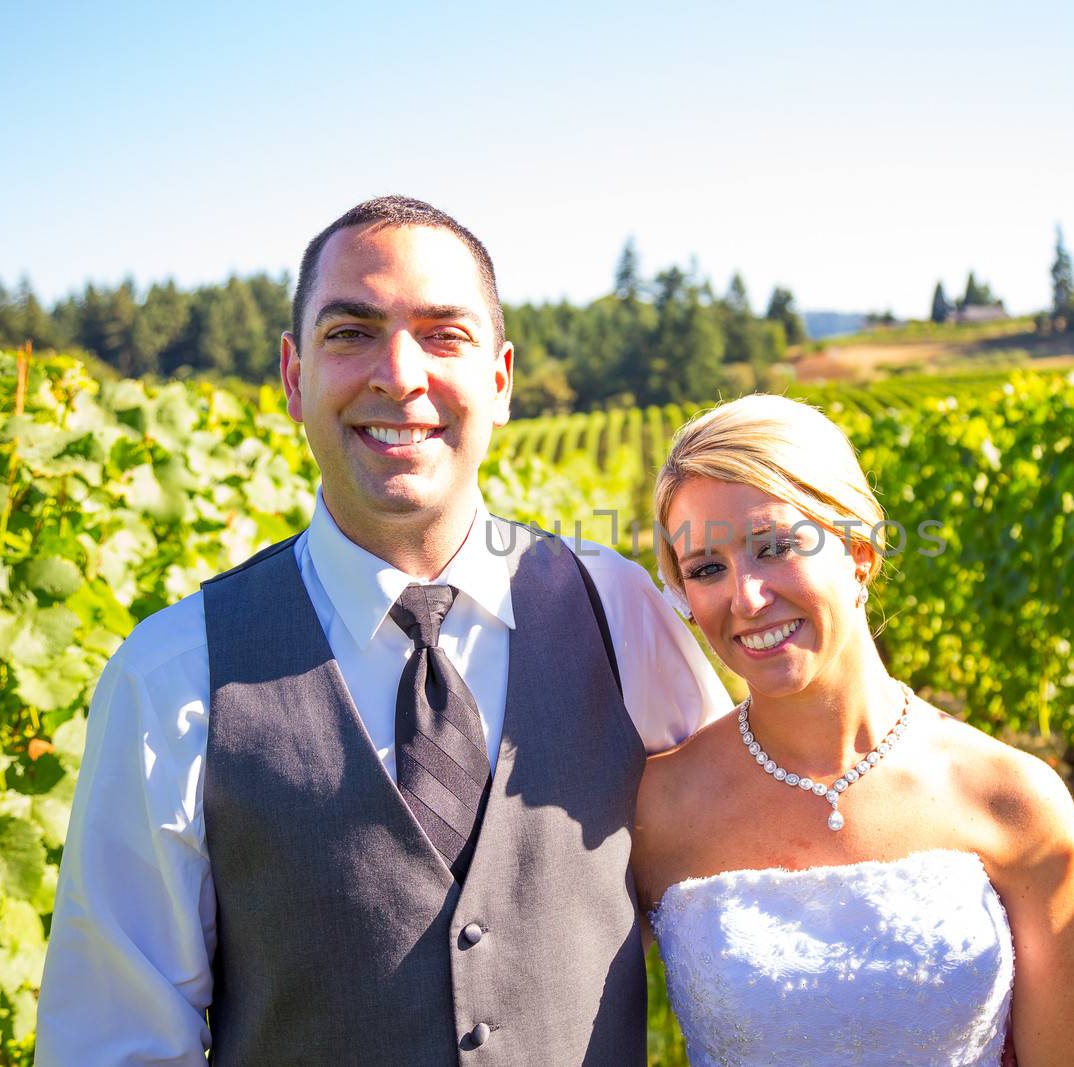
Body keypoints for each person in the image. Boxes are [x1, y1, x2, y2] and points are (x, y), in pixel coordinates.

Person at [36, 196, 729, 1066]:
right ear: (293, 377)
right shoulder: (171, 675)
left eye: (443, 334)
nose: (398, 374)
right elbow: (116, 1042)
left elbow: (748, 860)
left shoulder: (621, 612)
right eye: (350, 333)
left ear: (502, 380)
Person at [632, 394, 1074, 1066]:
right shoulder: (655, 809)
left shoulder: (1015, 801)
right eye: (708, 568)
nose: (744, 597)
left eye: (774, 547)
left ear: (858, 551)